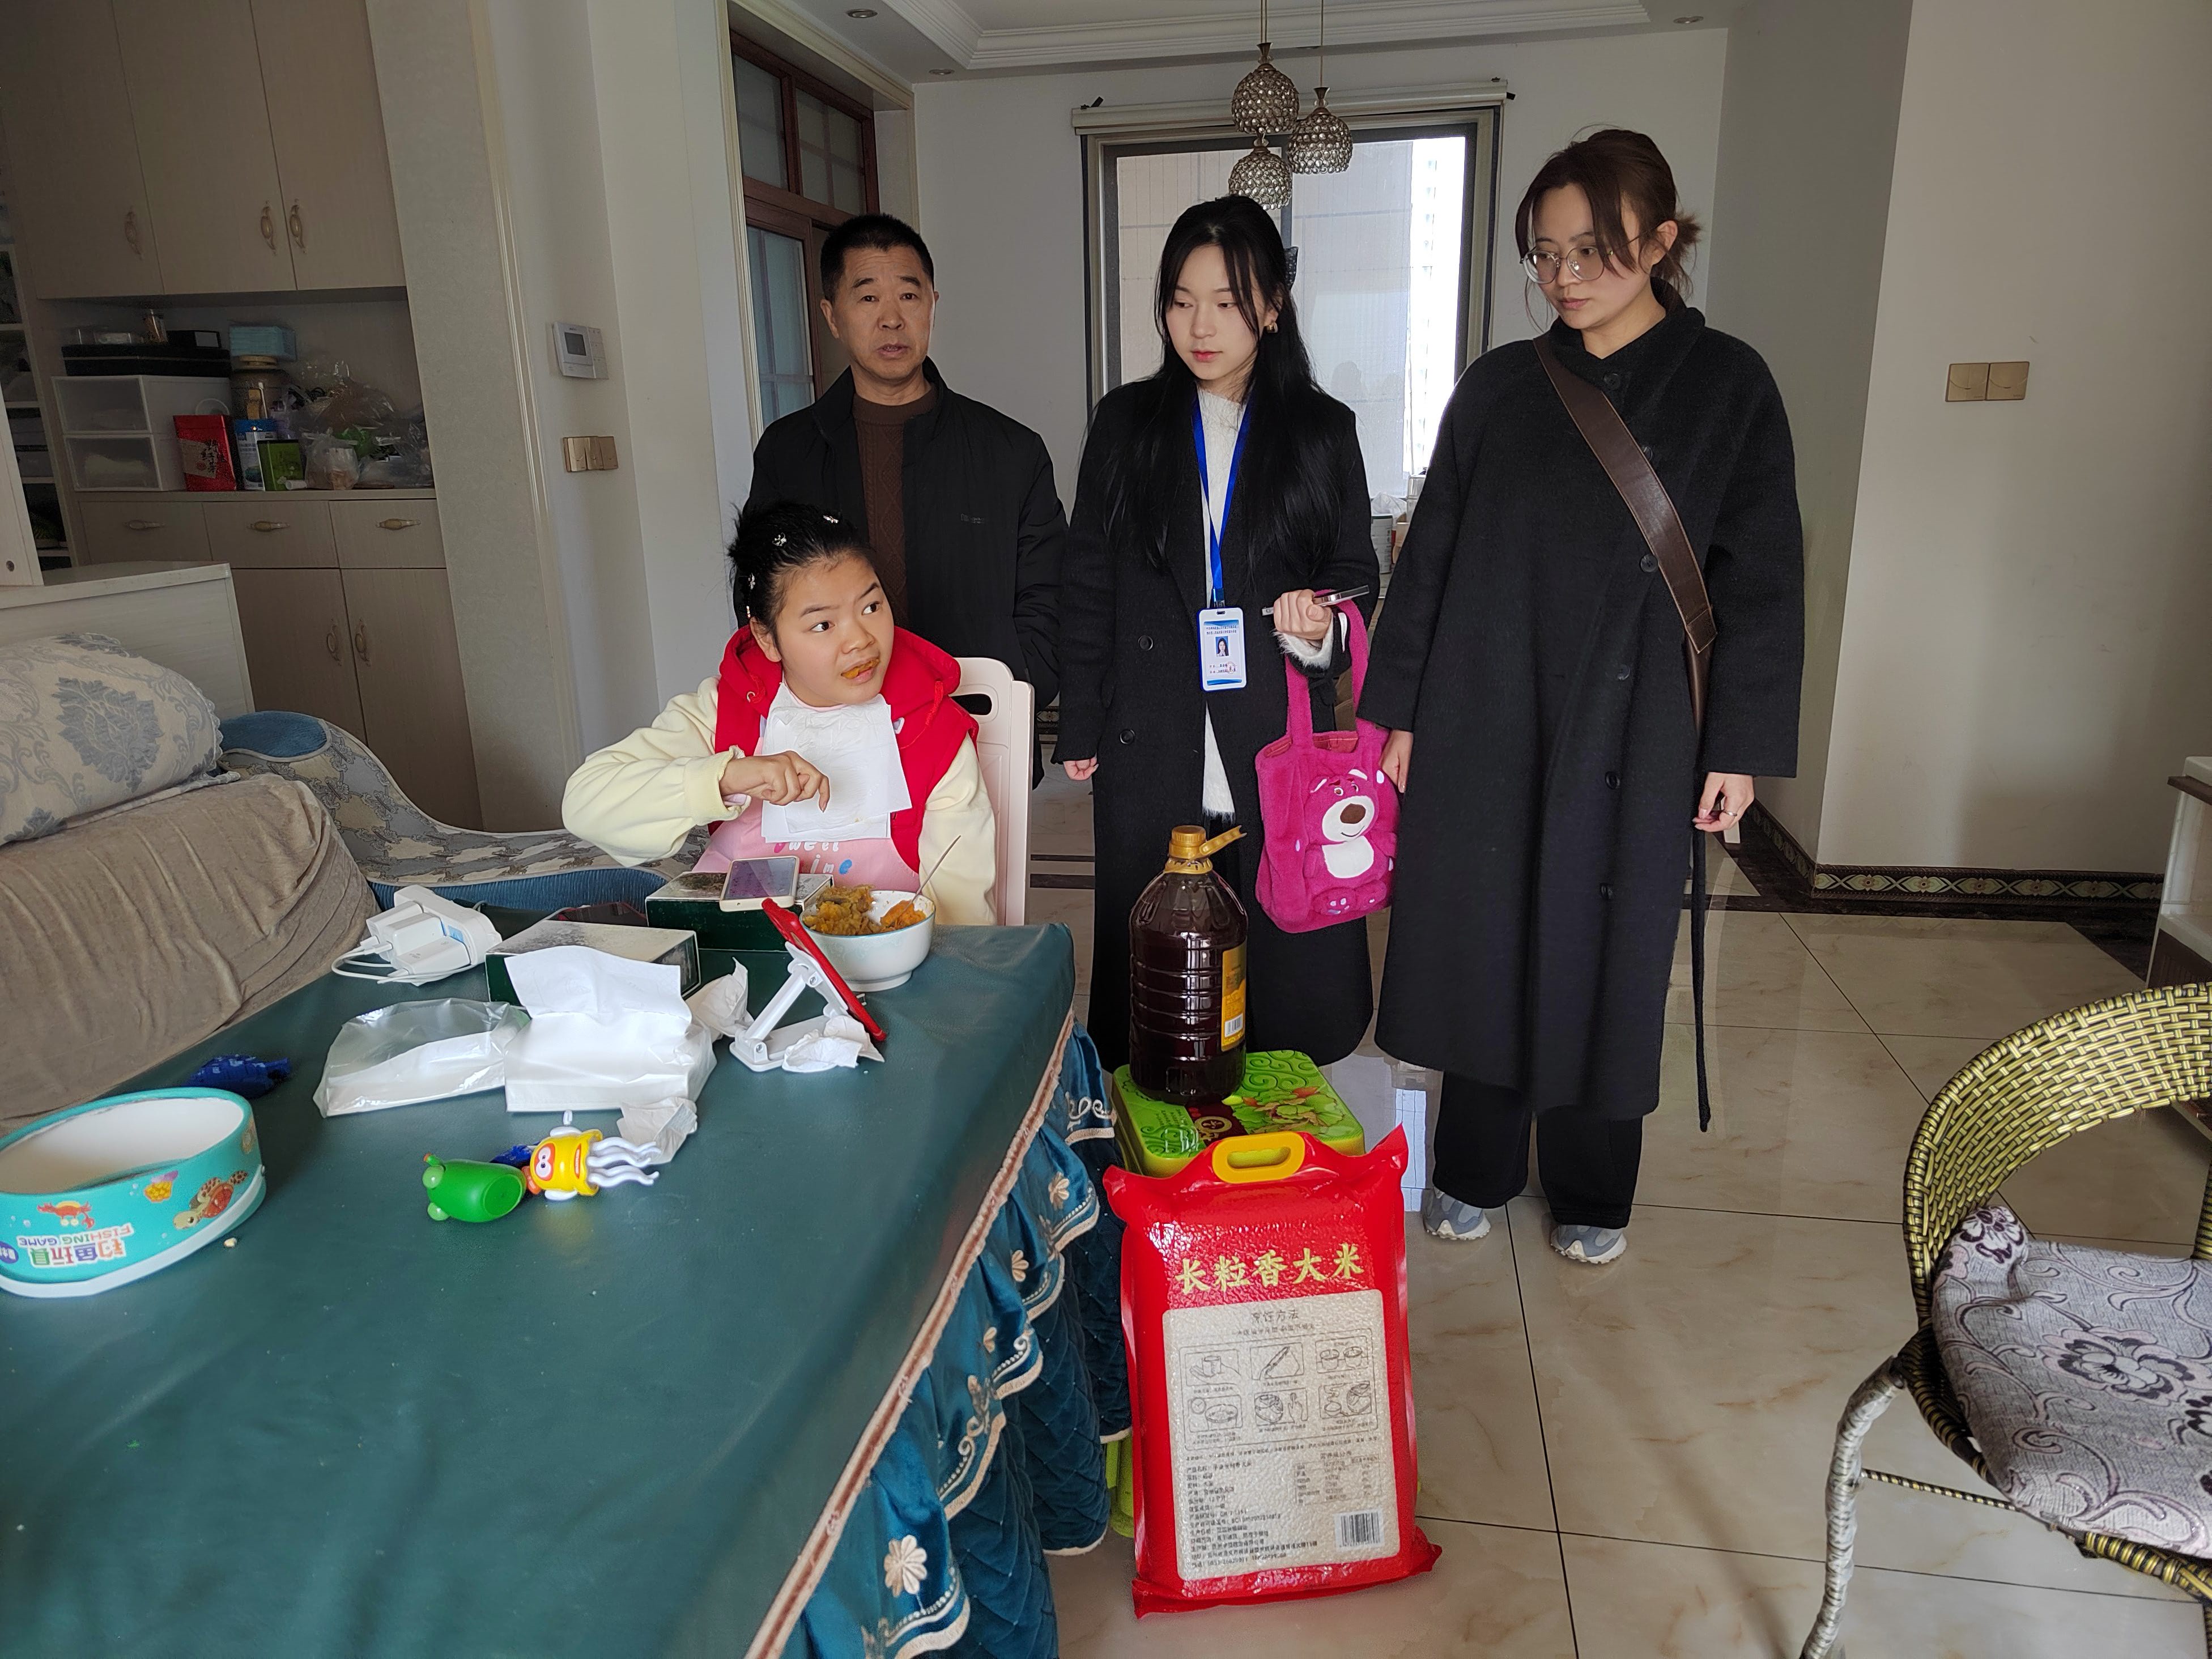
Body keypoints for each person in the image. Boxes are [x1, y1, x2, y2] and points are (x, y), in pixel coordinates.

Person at [1363, 129, 1804, 1266]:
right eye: (1545, 254)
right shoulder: (1499, 387)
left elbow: (1759, 575)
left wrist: (1738, 744)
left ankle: (1592, 1184)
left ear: (1659, 242)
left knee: (1607, 944)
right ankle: (1471, 1164)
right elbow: (1432, 552)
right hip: (1488, 705)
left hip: (1638, 719)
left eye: (1589, 251)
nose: (1562, 276)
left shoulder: (1728, 385)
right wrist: (1398, 707)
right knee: (1485, 932)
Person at [1058, 195, 1379, 1073]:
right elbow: (1087, 577)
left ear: (1272, 306)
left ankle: (1278, 1091)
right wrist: (1081, 719)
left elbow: (1355, 572)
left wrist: (1318, 627)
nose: (1199, 327)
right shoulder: (1126, 424)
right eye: (1181, 300)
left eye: (1228, 303)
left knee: (1278, 946)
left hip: (1271, 721)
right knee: (1166, 952)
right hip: (1151, 723)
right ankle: (1174, 1106)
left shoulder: (1322, 432)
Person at [562, 501, 998, 922]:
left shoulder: (933, 729)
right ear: (766, 638)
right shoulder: (726, 711)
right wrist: (727, 777)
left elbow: (962, 916)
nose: (861, 641)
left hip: (879, 955)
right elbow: (586, 803)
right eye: (823, 625)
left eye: (871, 607)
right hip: (738, 948)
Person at [745, 213, 1065, 721]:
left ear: (933, 305)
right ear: (832, 316)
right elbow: (760, 591)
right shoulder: (788, 451)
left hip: (979, 719)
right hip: (831, 730)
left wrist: (1021, 682)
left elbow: (1052, 593)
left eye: (909, 296)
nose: (892, 319)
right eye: (868, 297)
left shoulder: (1011, 450)